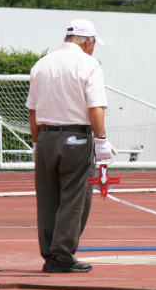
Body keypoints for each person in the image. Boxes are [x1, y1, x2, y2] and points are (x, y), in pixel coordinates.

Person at [26, 19, 117, 273]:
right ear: (88, 42)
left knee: (47, 198)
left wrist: (36, 142)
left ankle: (50, 254)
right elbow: (95, 106)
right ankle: (62, 255)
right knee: (75, 198)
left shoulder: (41, 64)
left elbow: (33, 111)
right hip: (76, 138)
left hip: (46, 137)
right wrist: (101, 141)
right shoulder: (89, 64)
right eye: (93, 44)